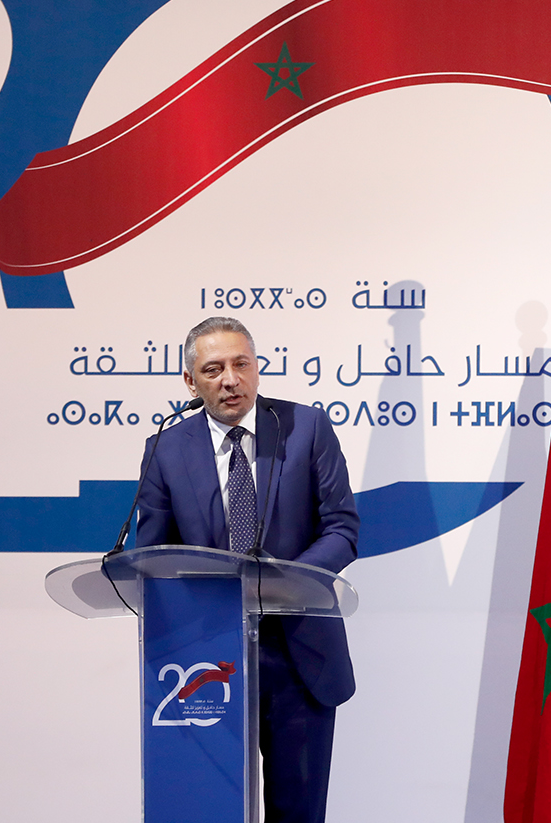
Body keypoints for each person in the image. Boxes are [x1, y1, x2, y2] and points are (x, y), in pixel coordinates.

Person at [135, 317, 359, 823]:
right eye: (213, 369)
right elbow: (154, 553)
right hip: (204, 660)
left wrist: (281, 584)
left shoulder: (306, 427)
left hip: (299, 654)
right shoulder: (167, 447)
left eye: (241, 364)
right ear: (191, 382)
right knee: (210, 809)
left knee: (298, 813)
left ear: (257, 368)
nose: (231, 380)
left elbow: (342, 529)